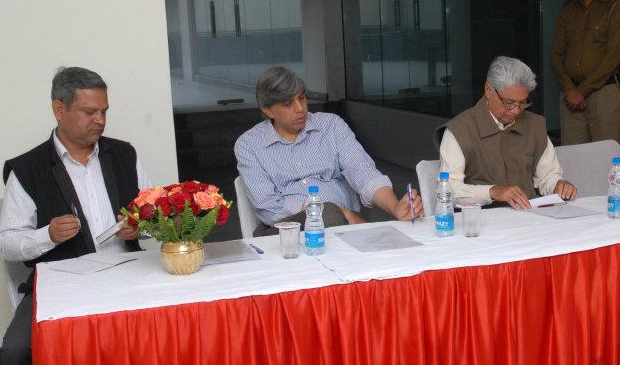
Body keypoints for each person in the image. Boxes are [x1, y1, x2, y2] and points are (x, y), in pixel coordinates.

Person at [0, 67, 151, 365]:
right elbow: (7, 241)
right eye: (89, 112)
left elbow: (154, 215)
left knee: (174, 318)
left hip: (127, 271)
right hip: (61, 280)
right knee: (16, 352)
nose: (100, 120)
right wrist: (46, 235)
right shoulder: (27, 168)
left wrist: (141, 228)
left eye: (104, 111)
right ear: (59, 109)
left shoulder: (124, 154)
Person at [235, 66, 422, 236]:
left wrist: (395, 207)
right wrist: (327, 212)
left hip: (346, 223)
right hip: (286, 232)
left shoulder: (331, 125)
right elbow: (268, 207)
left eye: (302, 98)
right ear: (268, 110)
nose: (300, 109)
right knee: (331, 214)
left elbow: (362, 171)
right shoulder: (249, 145)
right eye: (288, 104)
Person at [437, 56, 577, 210]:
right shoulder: (459, 130)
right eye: (509, 103)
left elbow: (547, 177)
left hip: (529, 214)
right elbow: (448, 190)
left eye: (522, 103)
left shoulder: (535, 125)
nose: (516, 110)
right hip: (481, 218)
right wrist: (493, 192)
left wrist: (558, 185)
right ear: (488, 90)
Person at [551, 0, 620, 147]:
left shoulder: (616, 8)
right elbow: (556, 54)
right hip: (570, 94)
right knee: (573, 156)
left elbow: (612, 58)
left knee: (606, 155)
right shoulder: (569, 9)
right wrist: (569, 89)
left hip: (602, 92)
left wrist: (582, 91)